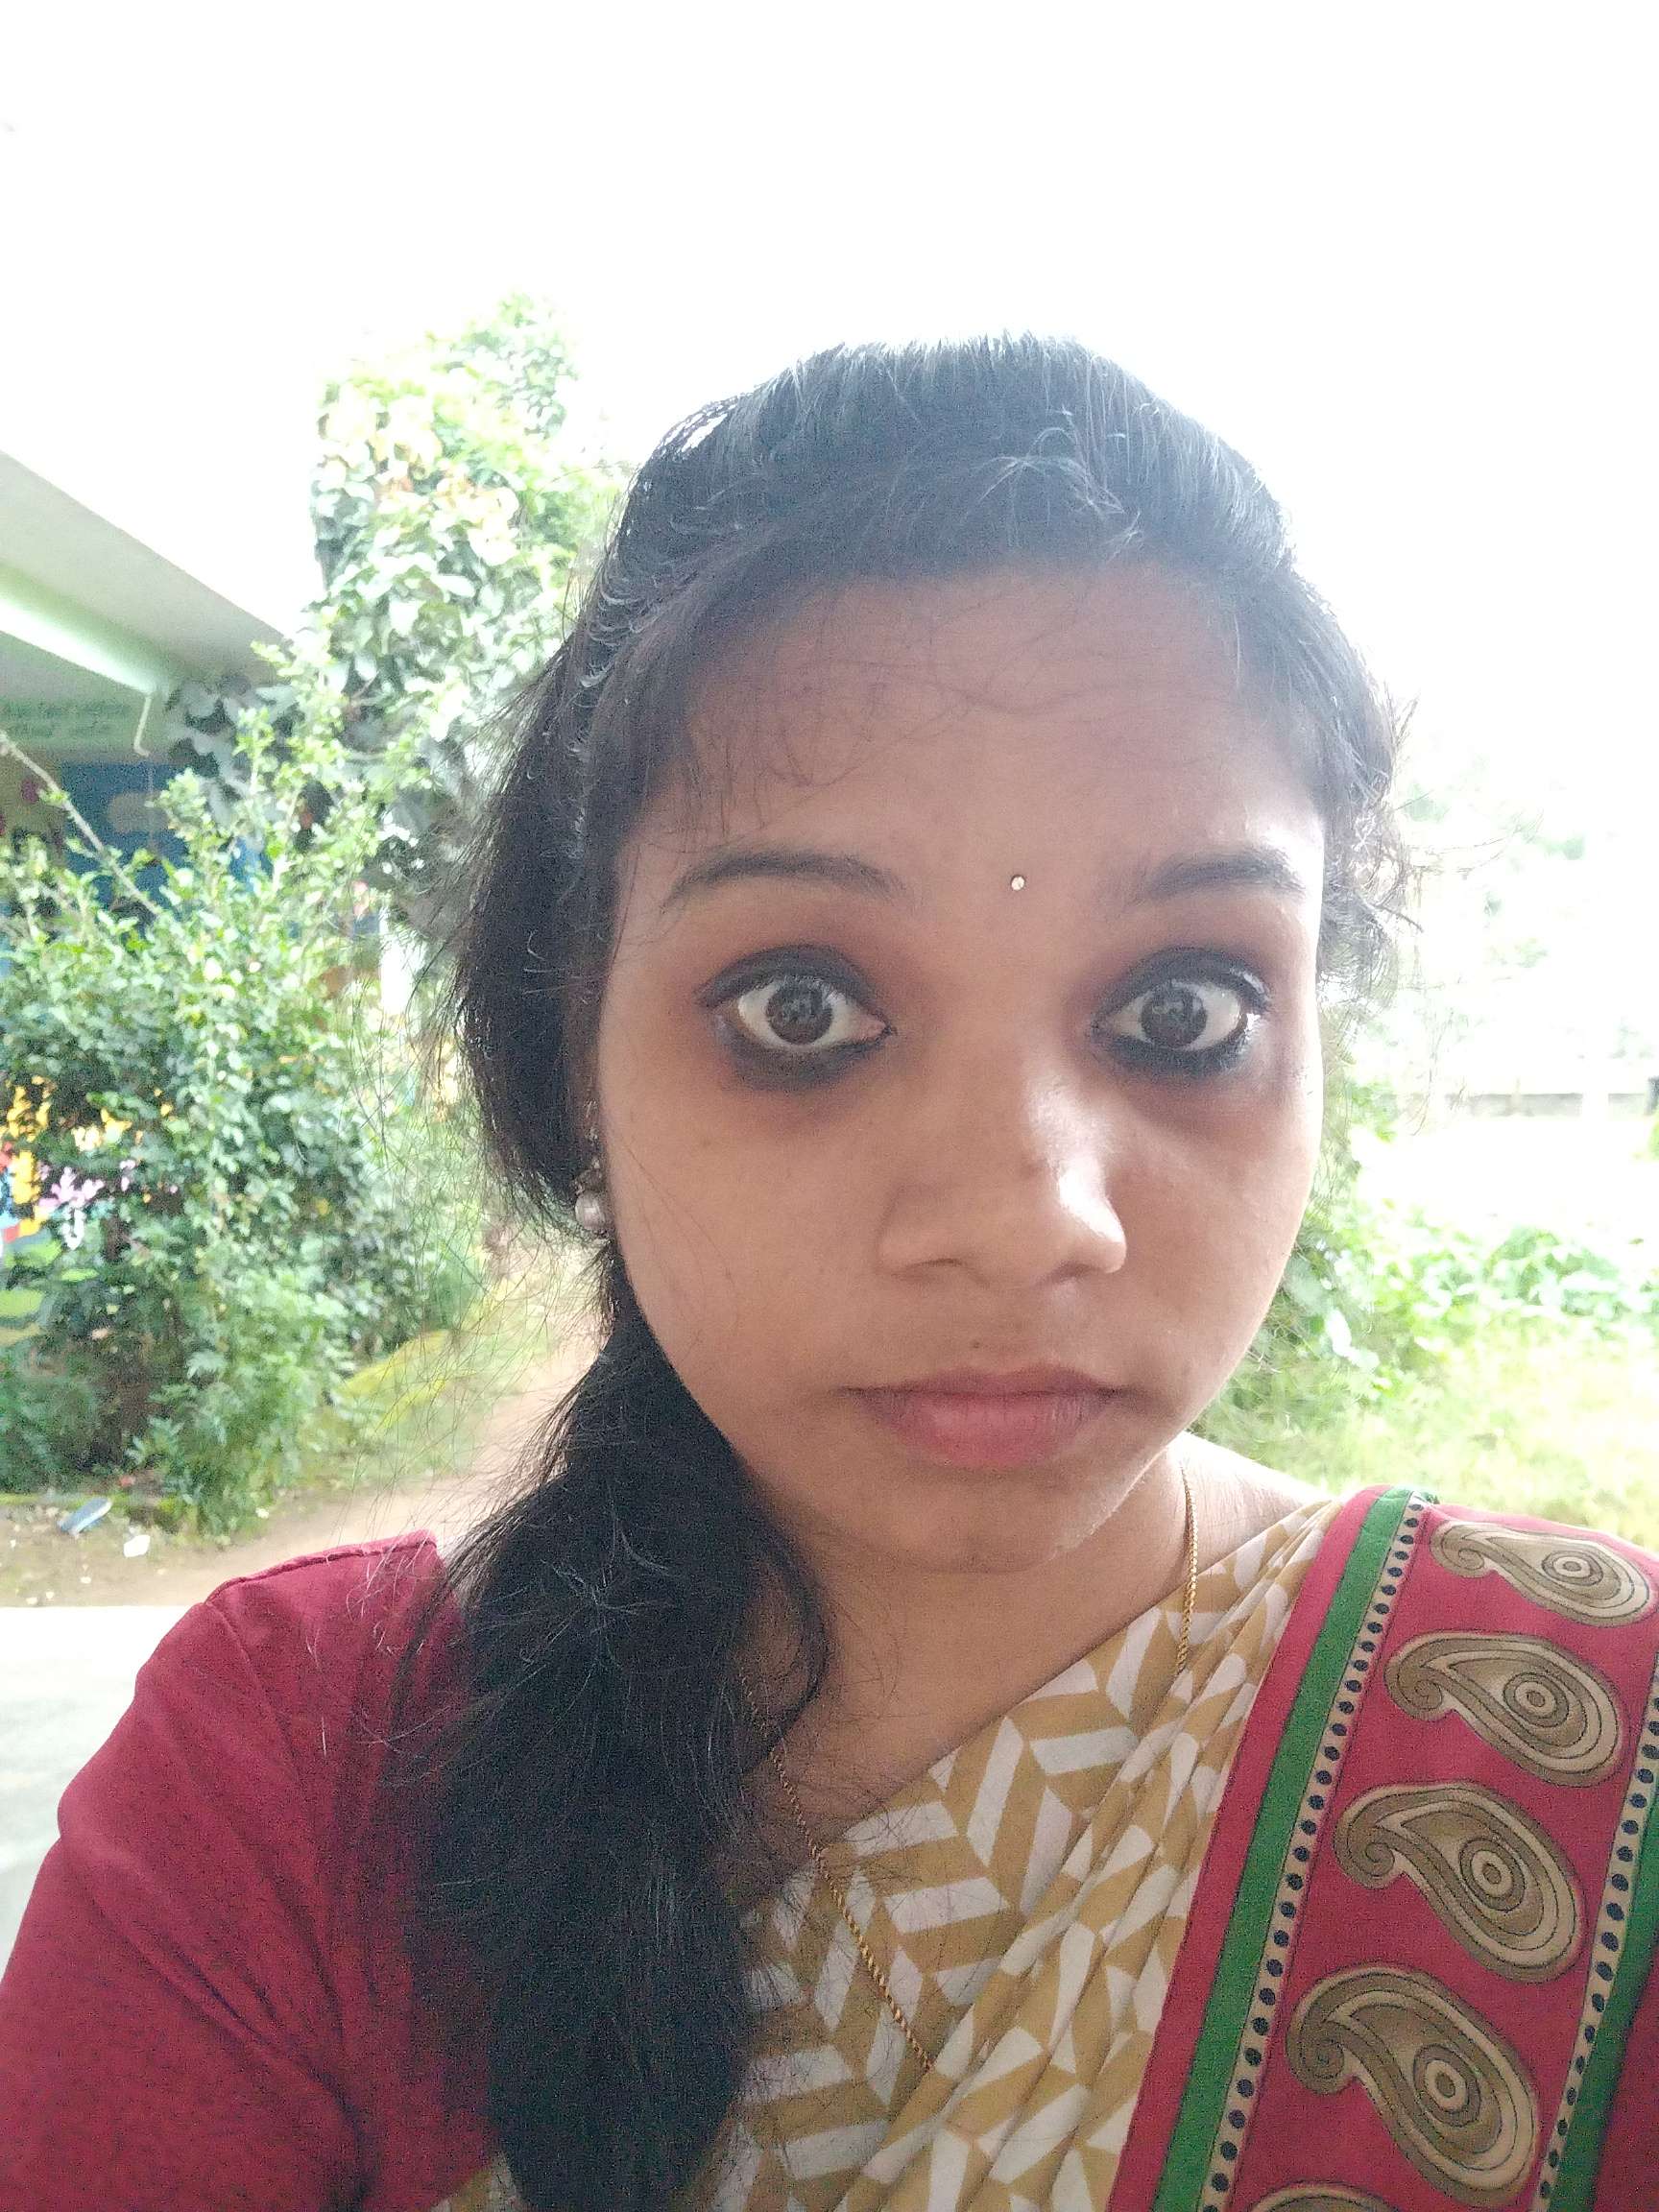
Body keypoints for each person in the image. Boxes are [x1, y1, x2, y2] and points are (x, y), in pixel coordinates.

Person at [3, 337, 1656, 2212]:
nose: (1029, 1220)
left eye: (1183, 1012)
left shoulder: (1580, 1750)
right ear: (577, 1051)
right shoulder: (291, 1786)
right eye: (803, 1008)